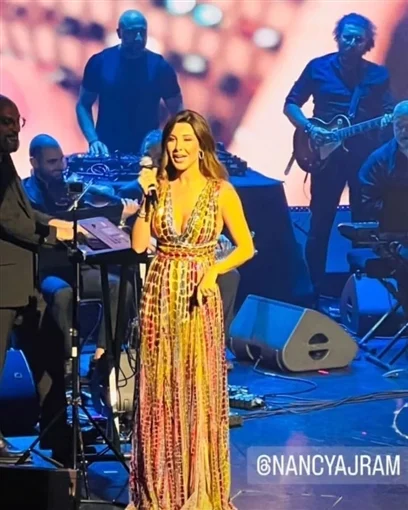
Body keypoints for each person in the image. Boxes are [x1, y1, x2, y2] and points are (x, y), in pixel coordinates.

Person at [128, 110, 255, 509]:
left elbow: (246, 247)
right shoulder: (160, 188)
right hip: (161, 291)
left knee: (196, 386)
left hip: (199, 296)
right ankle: (161, 489)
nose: (178, 148)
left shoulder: (220, 191)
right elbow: (138, 245)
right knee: (160, 387)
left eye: (186, 140)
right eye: (172, 140)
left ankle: (198, 488)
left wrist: (214, 271)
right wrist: (146, 199)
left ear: (201, 146)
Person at [283, 12, 394, 302]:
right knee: (320, 224)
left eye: (358, 39)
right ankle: (312, 290)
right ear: (338, 38)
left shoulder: (377, 75)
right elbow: (291, 104)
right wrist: (310, 129)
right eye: (348, 37)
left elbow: (389, 111)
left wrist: (388, 121)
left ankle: (360, 294)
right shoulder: (318, 67)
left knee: (363, 225)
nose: (352, 43)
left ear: (367, 44)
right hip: (325, 158)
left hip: (362, 159)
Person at [0, 95, 74, 463]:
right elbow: (8, 220)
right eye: (5, 122)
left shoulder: (5, 162)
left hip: (22, 284)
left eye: (17, 121)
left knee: (47, 359)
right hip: (3, 285)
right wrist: (52, 234)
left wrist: (57, 223)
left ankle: (58, 435)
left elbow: (25, 213)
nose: (13, 129)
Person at [22, 134, 136, 368]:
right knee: (62, 293)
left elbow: (95, 212)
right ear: (34, 162)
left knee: (121, 287)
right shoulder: (25, 193)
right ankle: (65, 363)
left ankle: (103, 357)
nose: (60, 167)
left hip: (78, 266)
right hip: (44, 270)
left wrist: (119, 213)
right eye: (52, 162)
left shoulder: (71, 188)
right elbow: (39, 222)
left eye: (61, 160)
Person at [76, 9, 183, 157]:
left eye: (142, 32)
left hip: (148, 153)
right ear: (119, 33)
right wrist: (93, 140)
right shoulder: (100, 62)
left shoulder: (160, 67)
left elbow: (177, 109)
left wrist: (166, 141)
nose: (138, 38)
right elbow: (83, 104)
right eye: (132, 32)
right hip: (107, 151)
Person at [359, 100, 408, 219]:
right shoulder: (377, 161)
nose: (404, 131)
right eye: (399, 125)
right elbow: (367, 202)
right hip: (393, 226)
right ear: (393, 125)